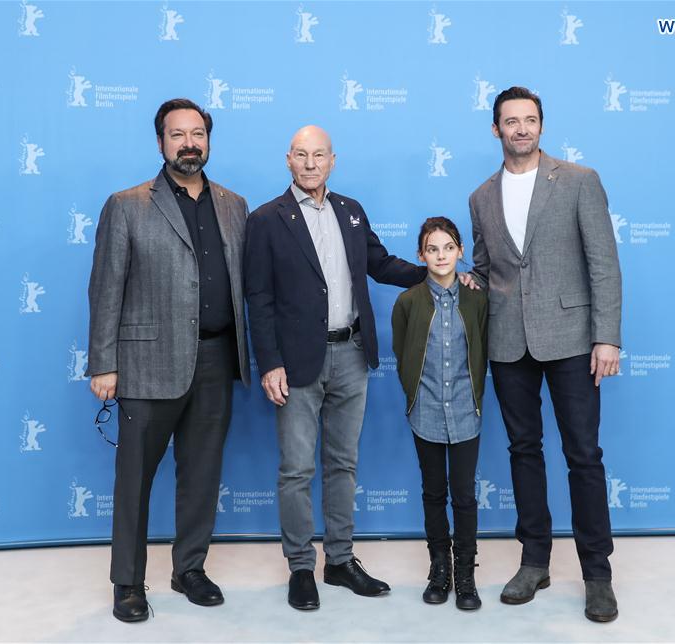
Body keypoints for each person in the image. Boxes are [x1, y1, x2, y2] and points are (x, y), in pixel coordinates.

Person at [244, 125, 430, 611]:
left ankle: (341, 561)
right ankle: (301, 567)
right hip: (297, 361)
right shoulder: (266, 219)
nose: (310, 164)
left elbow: (381, 264)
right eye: (301, 155)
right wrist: (270, 363)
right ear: (288, 160)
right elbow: (258, 299)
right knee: (296, 469)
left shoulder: (351, 211)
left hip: (351, 353)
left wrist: (433, 273)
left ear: (333, 161)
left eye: (319, 155)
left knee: (343, 464)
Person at [87, 98, 250, 622]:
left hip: (216, 358)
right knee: (134, 476)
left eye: (197, 133)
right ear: (160, 143)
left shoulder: (233, 204)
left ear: (208, 140)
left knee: (202, 473)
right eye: (177, 134)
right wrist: (103, 364)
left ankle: (190, 569)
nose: (188, 143)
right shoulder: (128, 204)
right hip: (145, 363)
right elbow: (105, 289)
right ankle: (128, 583)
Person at [468, 86, 623, 622]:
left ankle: (597, 574)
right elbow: (488, 271)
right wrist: (460, 282)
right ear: (496, 130)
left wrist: (608, 336)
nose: (521, 129)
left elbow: (603, 262)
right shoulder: (481, 196)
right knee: (523, 451)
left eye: (530, 120)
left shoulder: (579, 181)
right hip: (509, 343)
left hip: (574, 339)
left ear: (541, 126)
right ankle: (534, 561)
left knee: (584, 455)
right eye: (511, 121)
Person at [391, 217, 488, 610]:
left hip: (466, 411)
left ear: (460, 251)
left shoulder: (477, 298)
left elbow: (482, 345)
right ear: (421, 255)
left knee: (464, 495)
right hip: (426, 412)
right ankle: (439, 570)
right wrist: (415, 396)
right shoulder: (408, 302)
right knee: (434, 492)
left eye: (448, 247)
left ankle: (465, 573)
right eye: (432, 249)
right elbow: (402, 353)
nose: (441, 255)